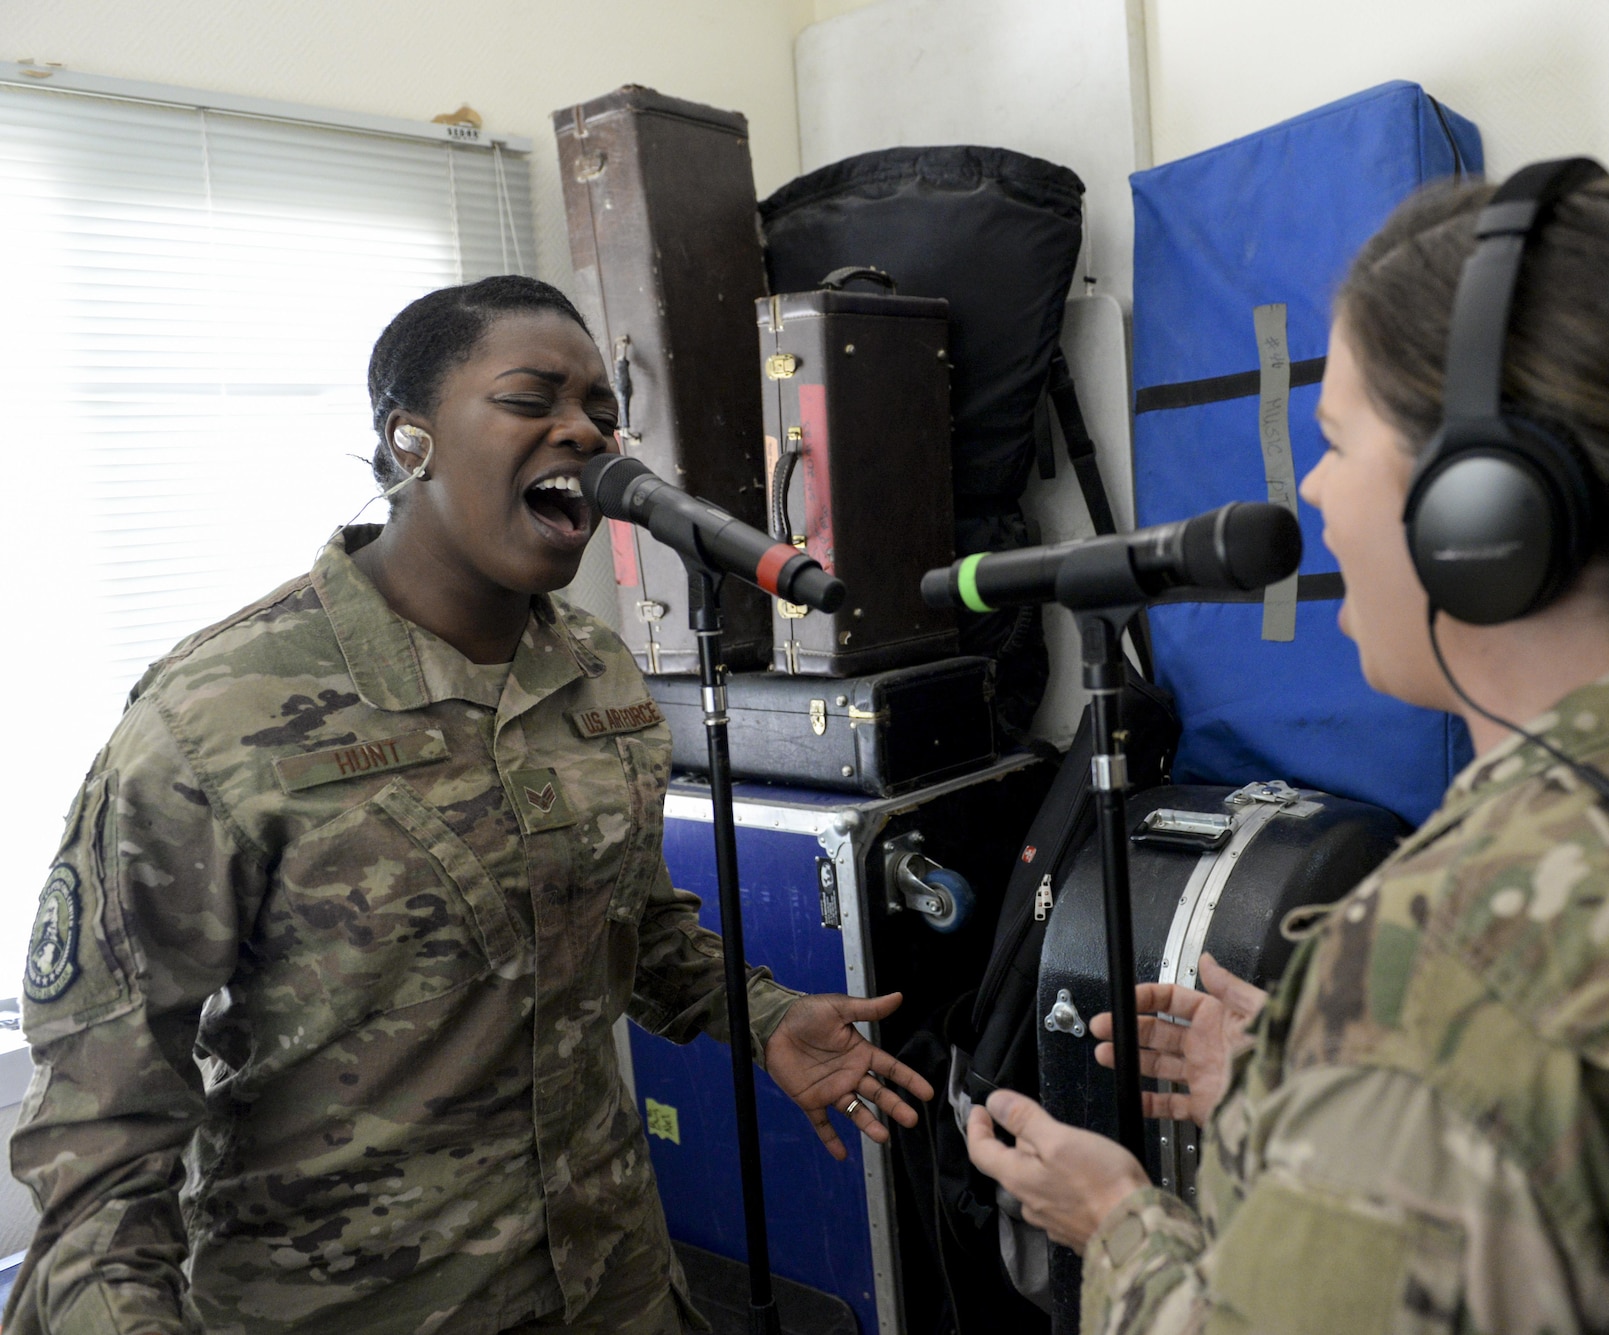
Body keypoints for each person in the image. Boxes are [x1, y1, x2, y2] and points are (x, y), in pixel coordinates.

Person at [968, 167, 1609, 1333]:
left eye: (1336, 442)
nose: (1320, 500)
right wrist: (1317, 1098)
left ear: (1482, 512)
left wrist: (1120, 1221)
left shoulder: (1436, 974)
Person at [6, 275, 933, 1335]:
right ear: (411, 440)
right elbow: (101, 1122)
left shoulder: (596, 672)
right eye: (531, 398)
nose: (581, 430)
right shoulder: (214, 717)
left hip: (609, 1281)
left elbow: (628, 924)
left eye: (599, 408)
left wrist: (762, 1013)